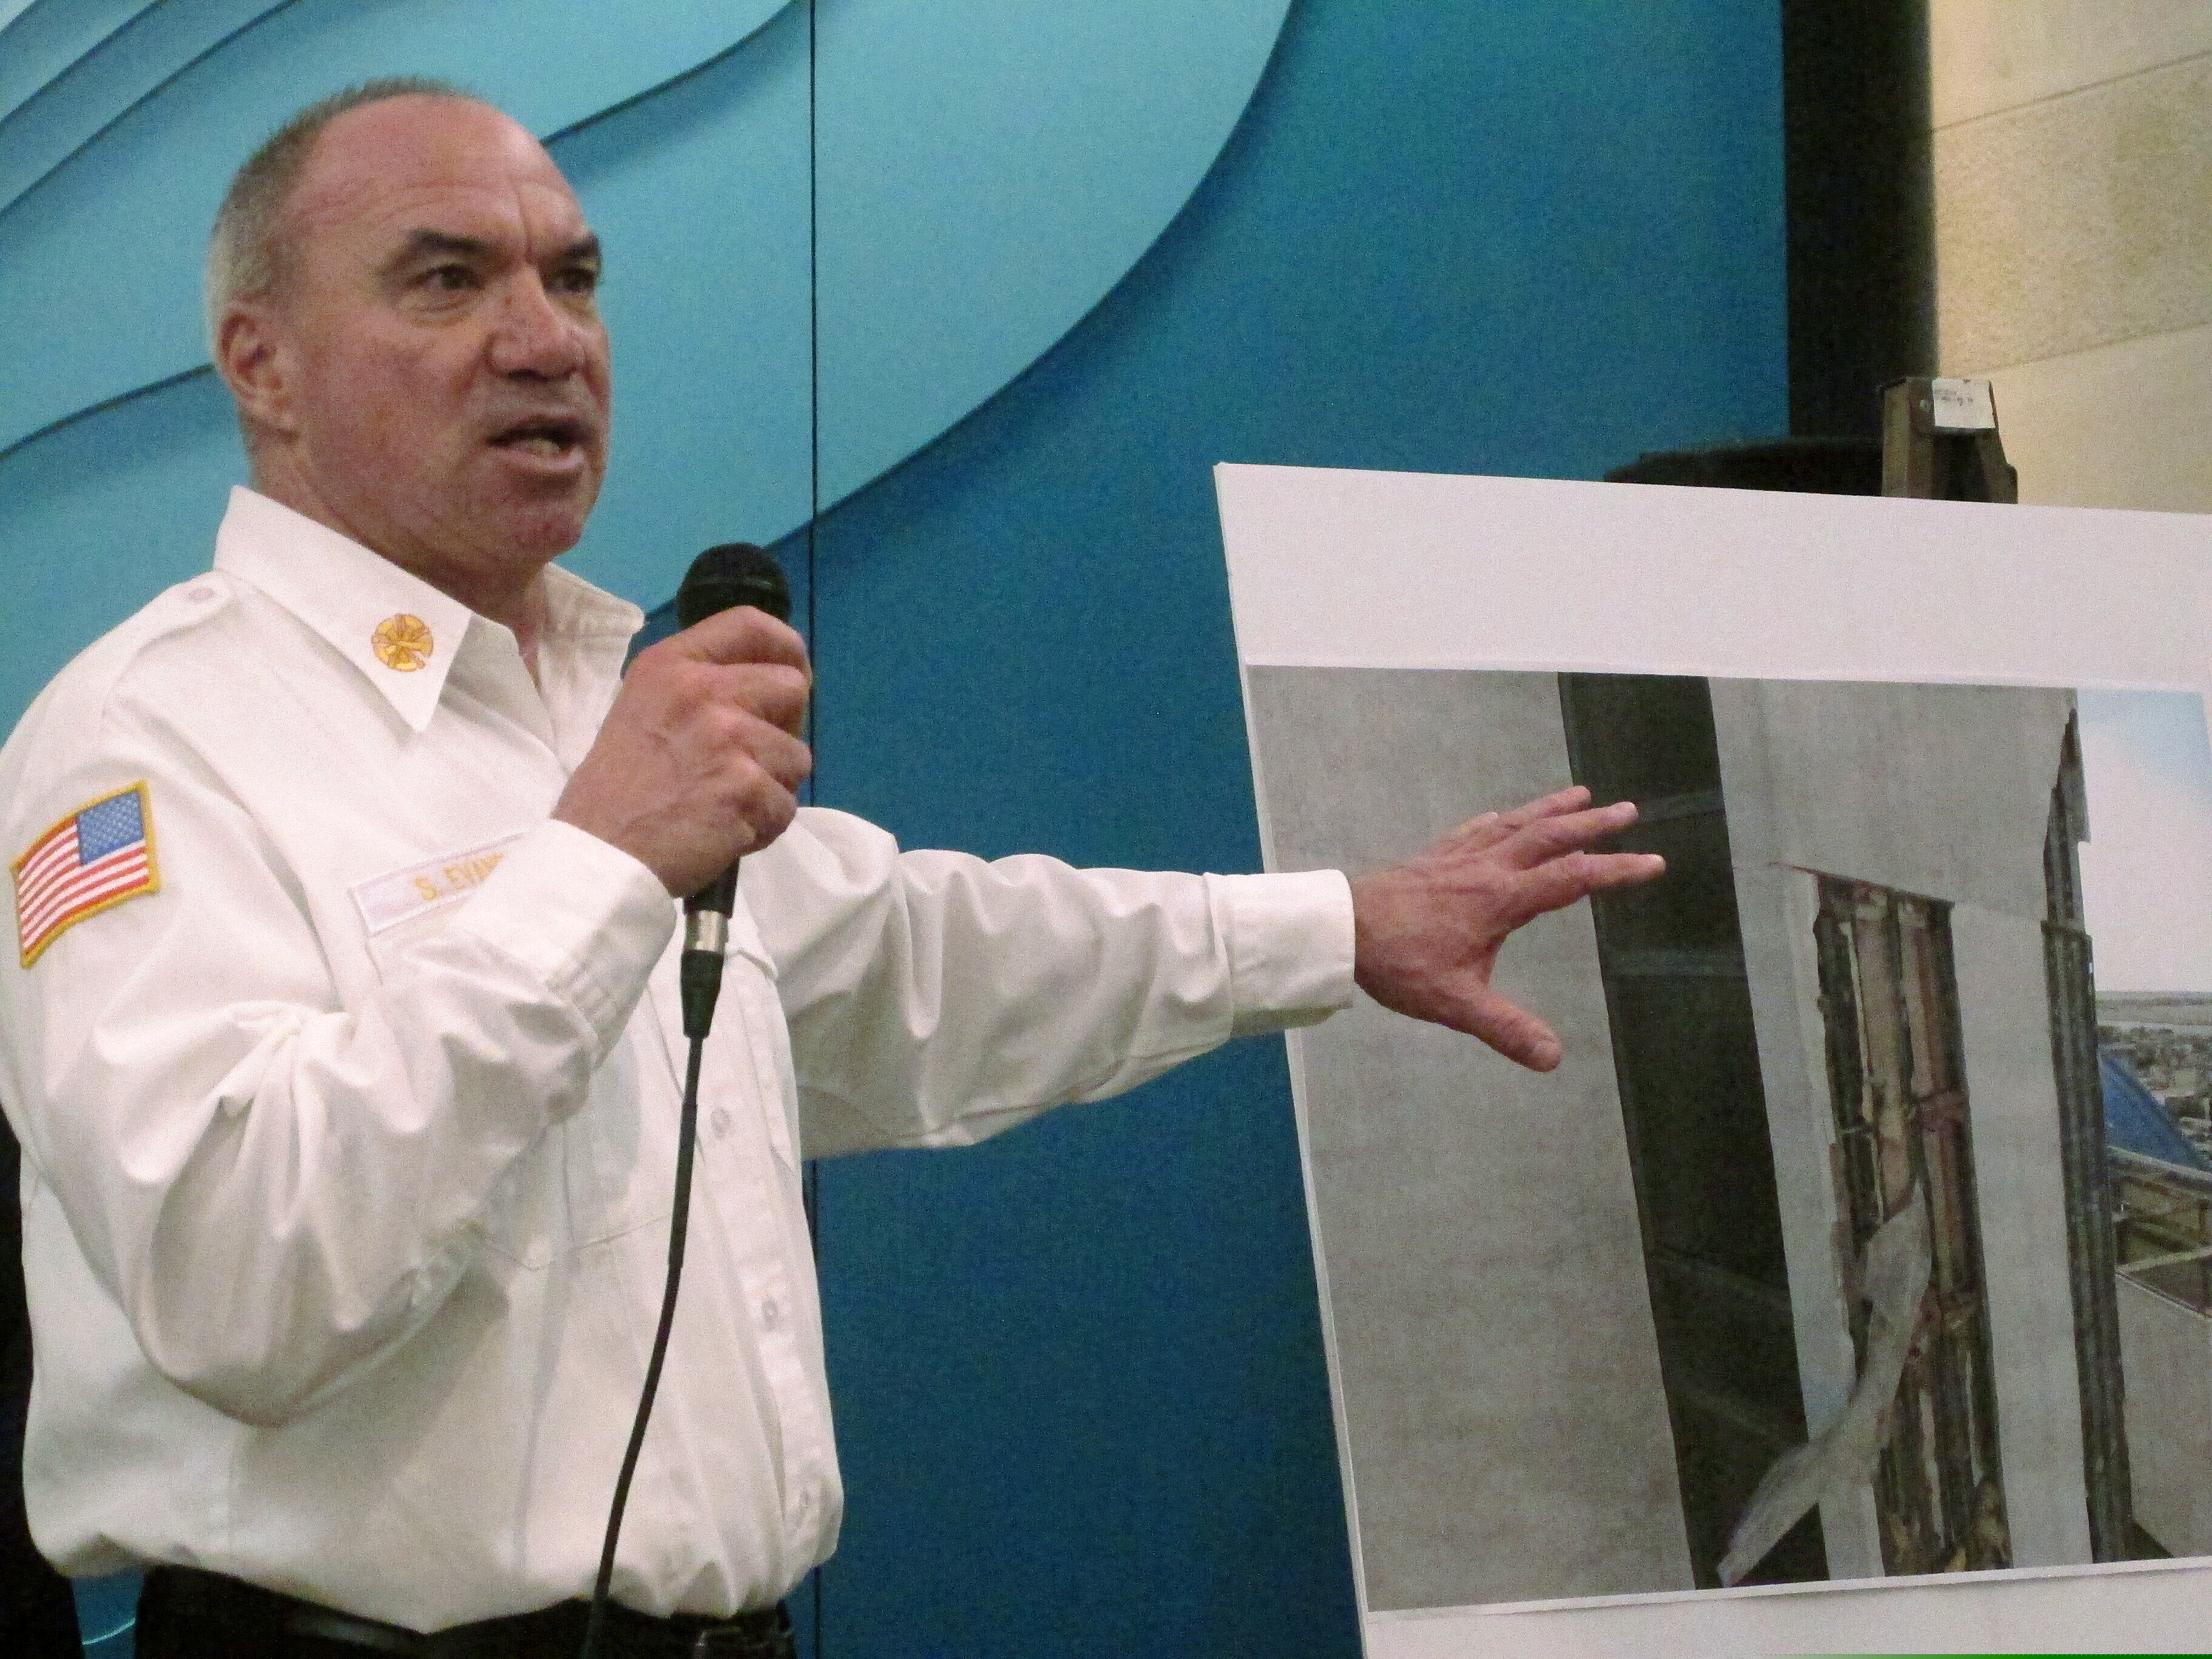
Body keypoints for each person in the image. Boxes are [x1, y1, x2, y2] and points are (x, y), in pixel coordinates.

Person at [0, 81, 1662, 1658]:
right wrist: (596, 866)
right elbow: (238, 1277)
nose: (545, 340)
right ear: (263, 366)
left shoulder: (598, 698)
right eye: (446, 281)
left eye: (572, 279)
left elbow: (930, 960)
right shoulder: (150, 742)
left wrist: (1345, 927)